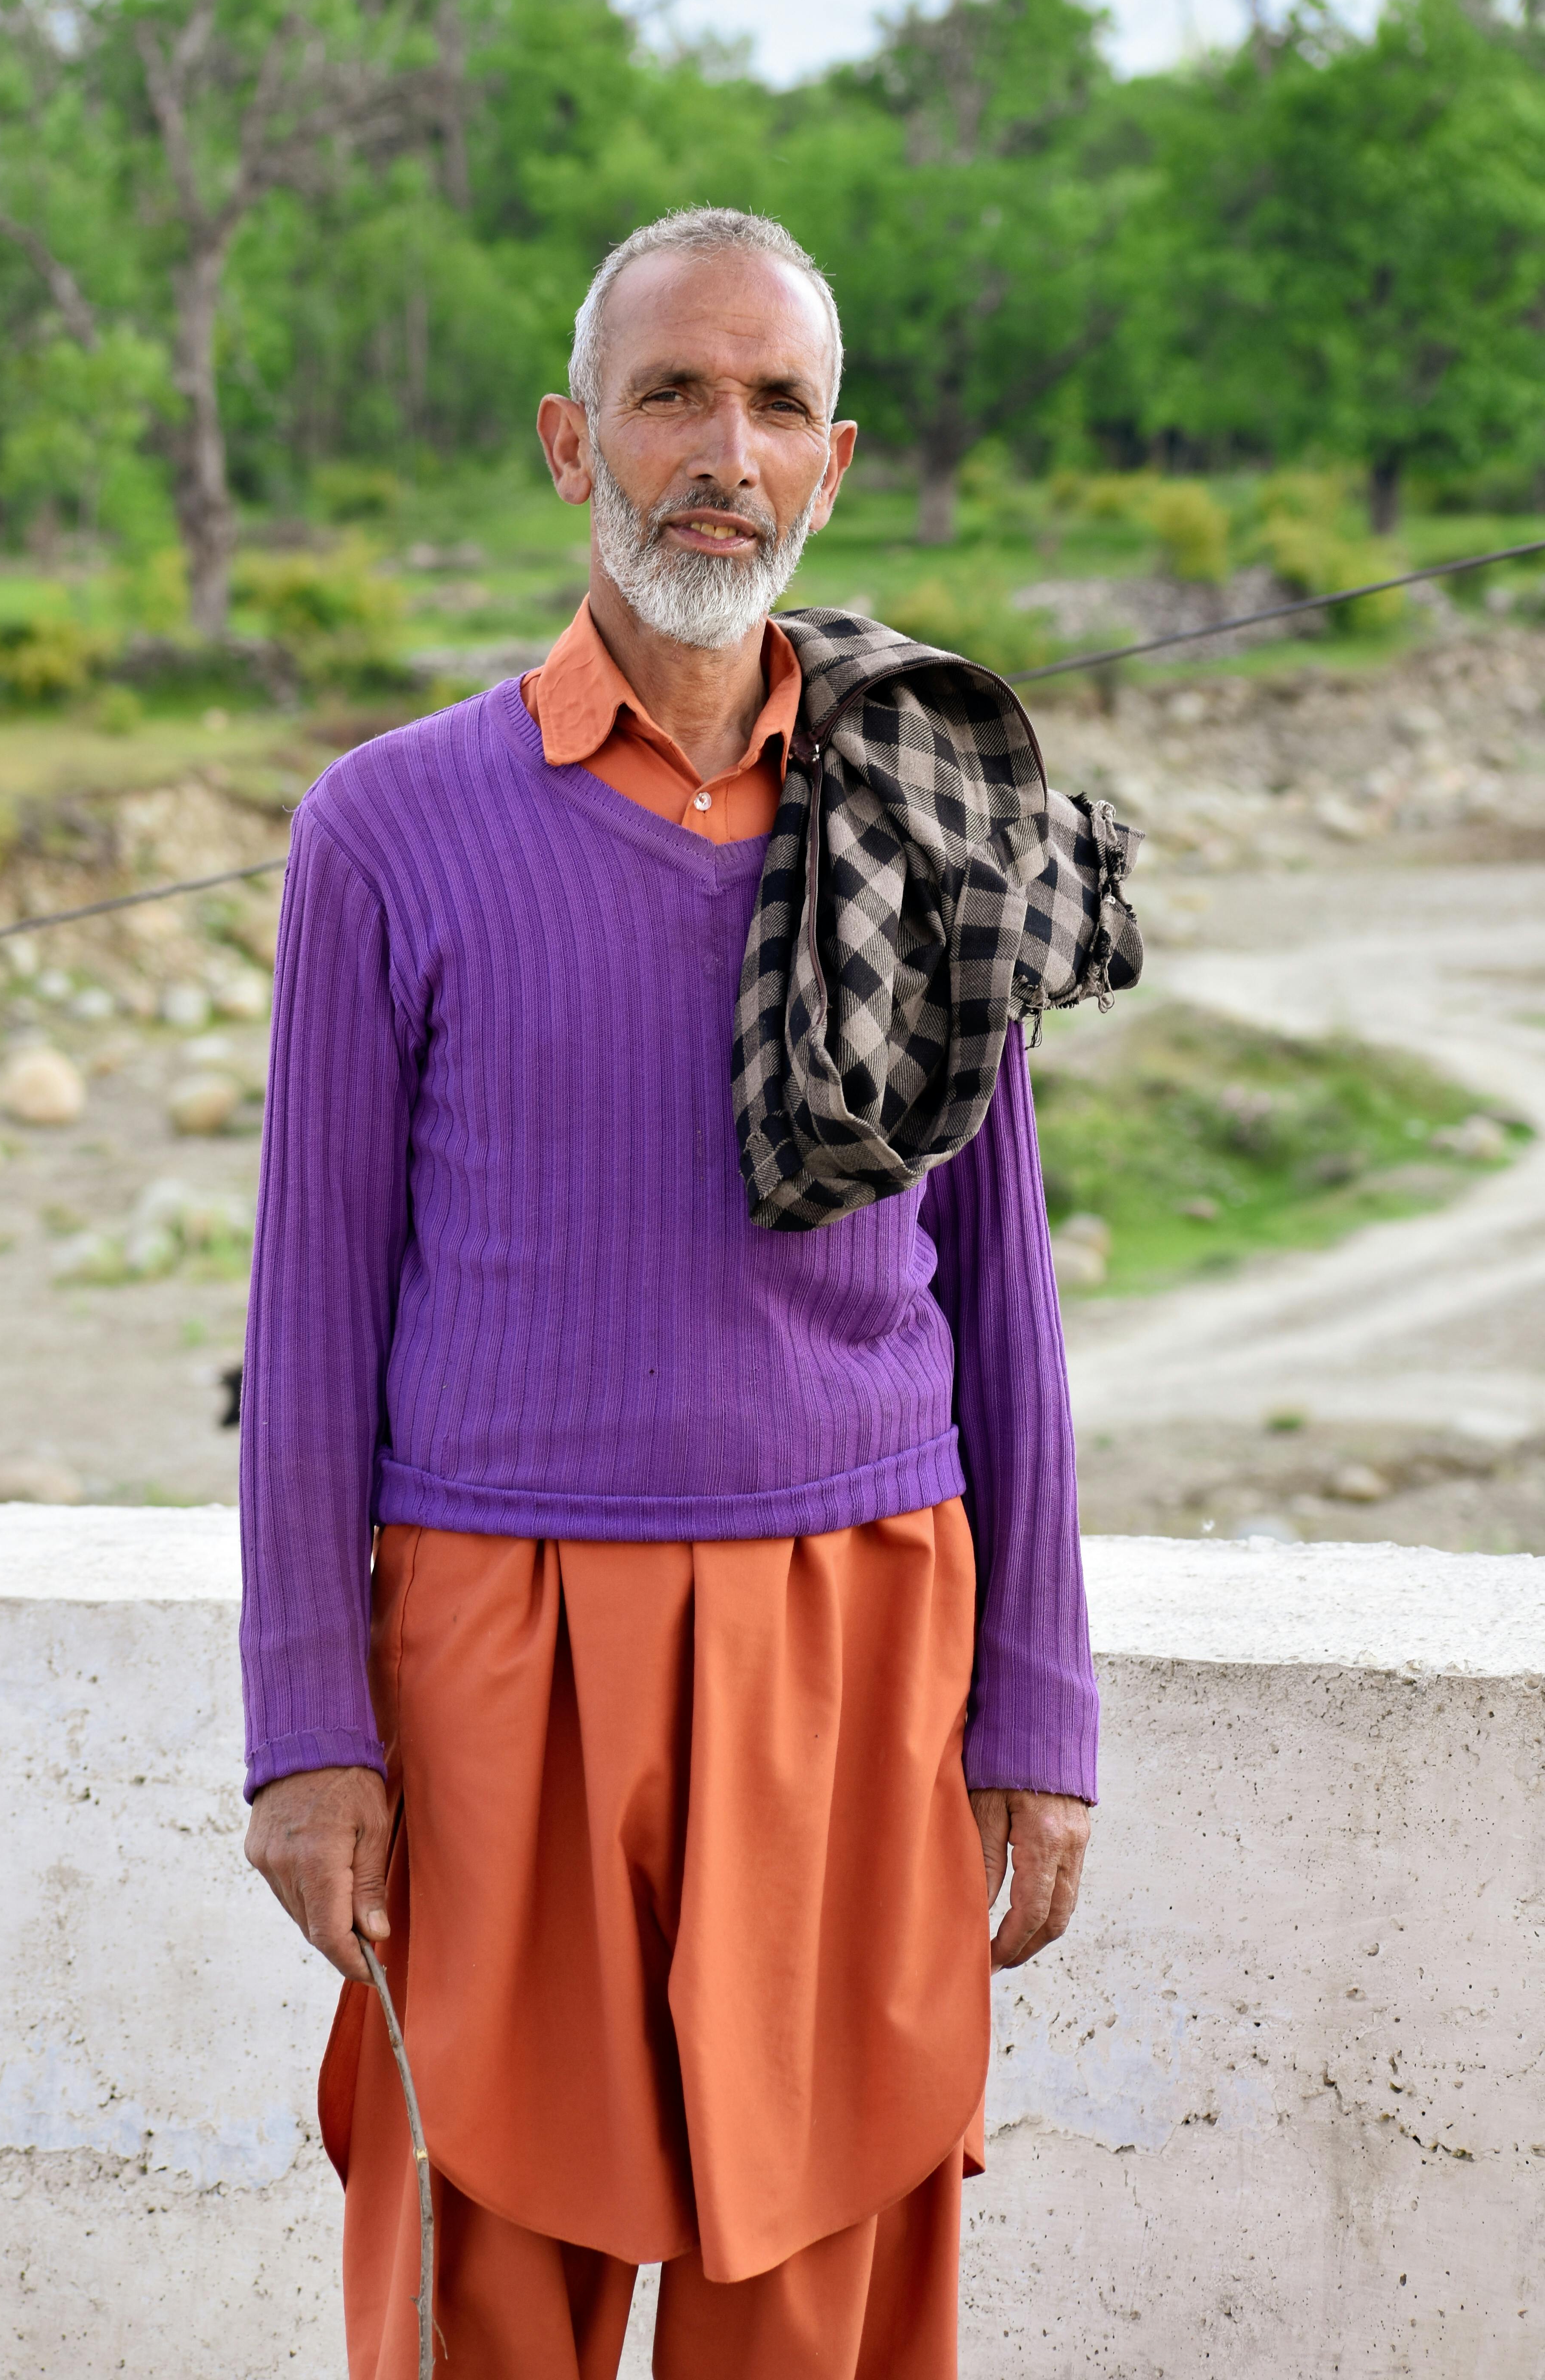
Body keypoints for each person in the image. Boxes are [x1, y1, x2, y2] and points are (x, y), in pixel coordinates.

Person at [241, 206, 1111, 2380]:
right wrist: (305, 1739)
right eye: (672, 394)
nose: (725, 449)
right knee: (486, 2300)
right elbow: (314, 1312)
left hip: (855, 1638)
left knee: (810, 2298)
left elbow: (998, 1288)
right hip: (492, 1655)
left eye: (777, 405)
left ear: (836, 461)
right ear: (572, 442)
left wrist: (1039, 1707)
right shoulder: (388, 829)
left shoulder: (928, 812)